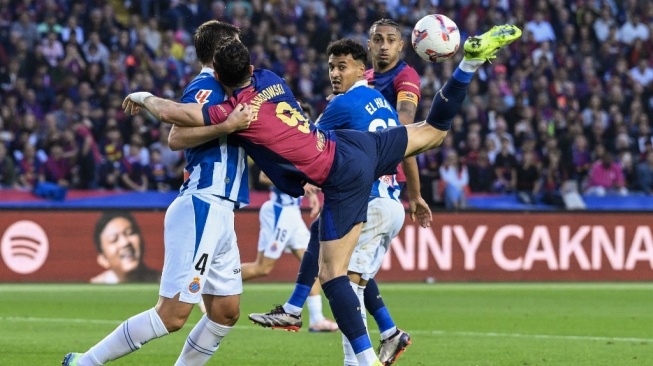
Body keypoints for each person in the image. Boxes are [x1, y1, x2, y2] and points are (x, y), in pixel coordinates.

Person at [122, 25, 522, 366]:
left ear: (224, 83)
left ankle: (361, 358)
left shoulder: (239, 111)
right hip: (357, 146)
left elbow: (178, 116)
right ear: (249, 65)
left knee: (333, 276)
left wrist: (143, 98)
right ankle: (469, 64)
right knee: (434, 131)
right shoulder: (270, 78)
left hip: (340, 174)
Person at [63, 20, 252, 366]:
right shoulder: (206, 87)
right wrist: (226, 126)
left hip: (224, 211)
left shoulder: (234, 87)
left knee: (226, 312)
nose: (243, 50)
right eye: (237, 44)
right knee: (172, 315)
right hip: (203, 203)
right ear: (221, 48)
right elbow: (176, 137)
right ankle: (85, 362)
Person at [248, 18, 427, 365]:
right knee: (327, 245)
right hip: (389, 202)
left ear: (362, 70)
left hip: (369, 201)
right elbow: (408, 145)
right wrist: (415, 195)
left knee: (343, 286)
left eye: (341, 67)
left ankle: (359, 359)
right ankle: (374, 329)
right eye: (331, 67)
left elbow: (303, 144)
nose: (333, 73)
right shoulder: (378, 99)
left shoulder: (347, 103)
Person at [240, 170, 339, 332]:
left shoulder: (300, 149)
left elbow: (298, 178)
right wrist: (300, 185)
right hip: (279, 212)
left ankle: (317, 319)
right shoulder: (281, 149)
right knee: (262, 268)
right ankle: (215, 284)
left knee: (314, 264)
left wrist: (310, 195)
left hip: (293, 214)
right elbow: (264, 176)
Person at [90, 211, 161, 284]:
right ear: (103, 259)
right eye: (114, 239)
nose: (125, 242)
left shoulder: (164, 285)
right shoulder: (96, 288)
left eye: (130, 233)